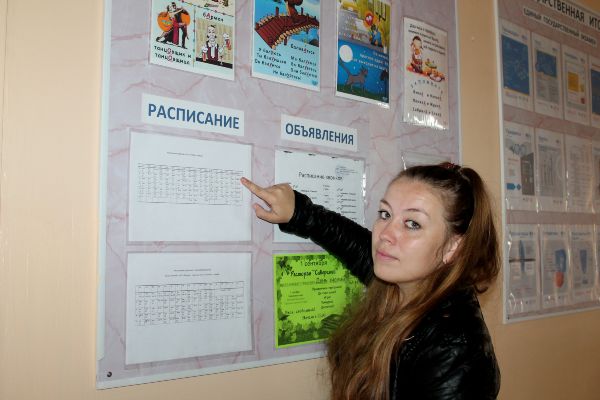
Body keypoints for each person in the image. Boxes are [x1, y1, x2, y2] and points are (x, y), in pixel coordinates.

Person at [241, 162, 500, 400]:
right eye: (385, 214)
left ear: (453, 247)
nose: (385, 234)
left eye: (412, 224)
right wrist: (300, 212)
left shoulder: (456, 353)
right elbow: (356, 245)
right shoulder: (405, 285)